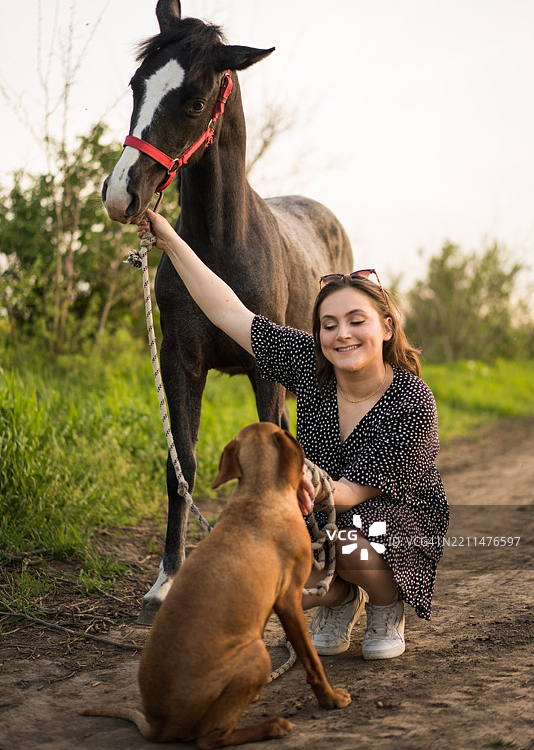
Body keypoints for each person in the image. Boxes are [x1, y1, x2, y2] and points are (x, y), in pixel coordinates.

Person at [137, 210, 449, 661]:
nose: (342, 334)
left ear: (385, 326)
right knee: (266, 579)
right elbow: (227, 310)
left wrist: (299, 486)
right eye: (328, 324)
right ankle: (340, 600)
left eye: (356, 320)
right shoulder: (309, 364)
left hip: (395, 521)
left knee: (343, 544)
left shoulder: (412, 400)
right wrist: (169, 239)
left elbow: (349, 492)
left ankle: (385, 604)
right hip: (323, 512)